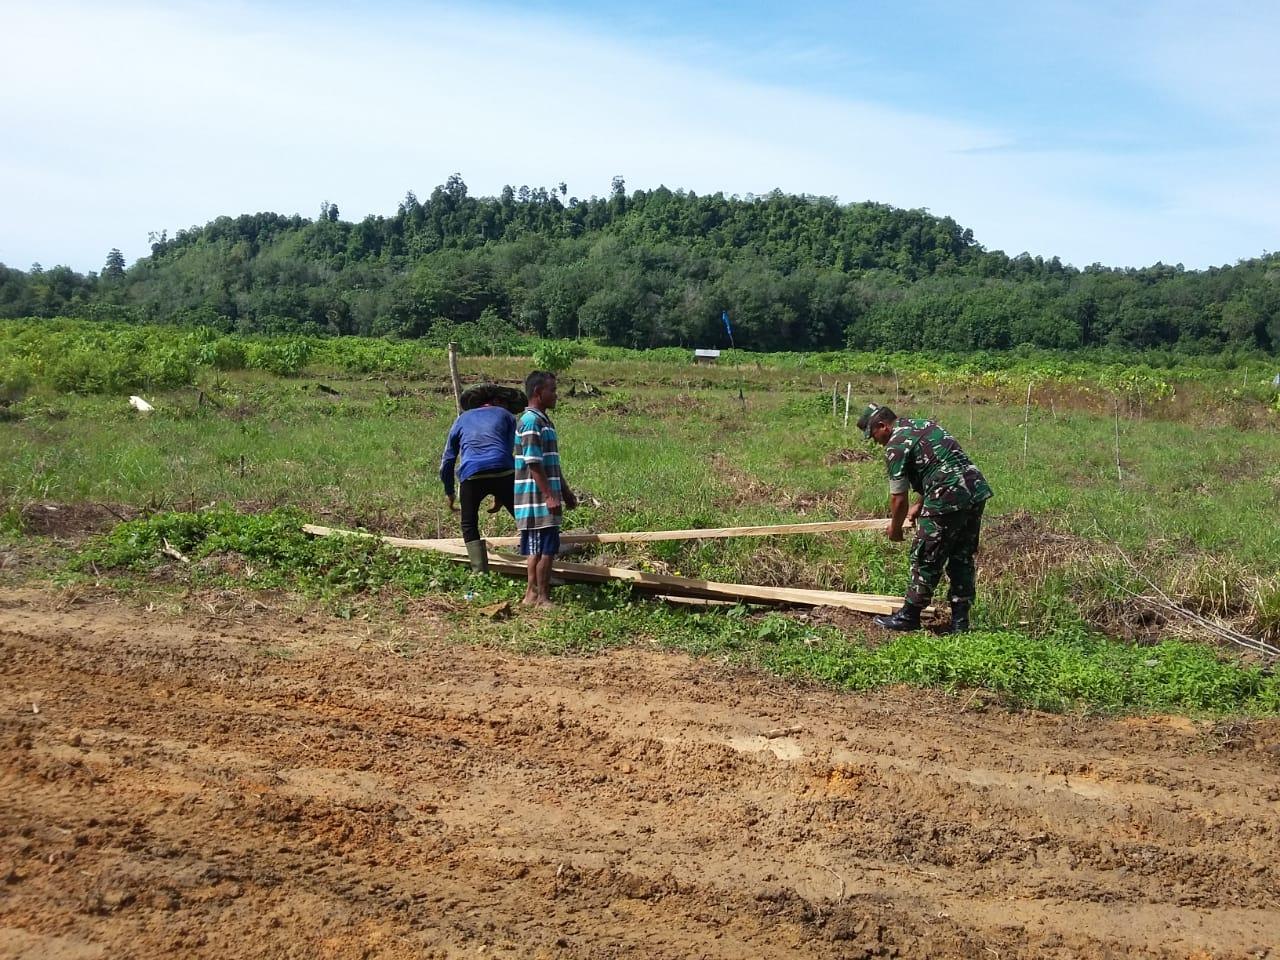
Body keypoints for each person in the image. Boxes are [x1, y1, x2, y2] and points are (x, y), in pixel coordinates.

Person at [855, 402, 993, 632]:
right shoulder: (923, 425)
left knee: (926, 556)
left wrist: (895, 527)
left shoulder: (896, 446)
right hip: (974, 492)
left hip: (946, 498)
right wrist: (920, 504)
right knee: (962, 557)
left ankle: (909, 616)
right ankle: (960, 622)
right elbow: (939, 465)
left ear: (882, 426)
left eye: (874, 435)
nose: (875, 441)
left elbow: (898, 499)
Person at [439, 384, 524, 572]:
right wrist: (501, 492)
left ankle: (480, 572)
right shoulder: (508, 417)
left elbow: (448, 458)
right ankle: (534, 557)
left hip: (471, 474)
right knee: (522, 516)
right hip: (504, 470)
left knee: (469, 523)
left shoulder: (462, 419)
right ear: (497, 402)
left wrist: (449, 491)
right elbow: (508, 451)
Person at [514, 371, 577, 607]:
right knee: (543, 549)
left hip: (544, 497)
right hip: (535, 500)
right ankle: (539, 596)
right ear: (538, 392)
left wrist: (565, 491)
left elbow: (552, 463)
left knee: (542, 548)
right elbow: (534, 463)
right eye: (552, 390)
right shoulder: (531, 422)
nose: (556, 395)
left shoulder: (544, 421)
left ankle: (533, 595)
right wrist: (549, 495)